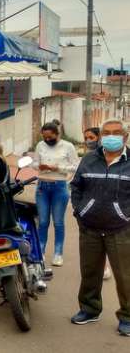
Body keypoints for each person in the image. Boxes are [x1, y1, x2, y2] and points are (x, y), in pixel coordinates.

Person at [69, 119, 130, 337]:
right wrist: (80, 211)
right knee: (90, 272)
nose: (111, 136)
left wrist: (126, 215)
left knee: (125, 276)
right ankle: (89, 309)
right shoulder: (88, 159)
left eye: (116, 132)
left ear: (125, 136)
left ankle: (127, 317)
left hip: (121, 229)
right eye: (106, 132)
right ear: (101, 135)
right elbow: (76, 186)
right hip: (90, 227)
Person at [32, 121, 79, 267]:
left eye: (50, 137)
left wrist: (57, 167)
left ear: (57, 134)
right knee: (43, 222)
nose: (47, 140)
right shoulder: (40, 145)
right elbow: (34, 163)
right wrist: (39, 166)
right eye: (45, 137)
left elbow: (76, 166)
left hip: (59, 186)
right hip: (42, 186)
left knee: (58, 222)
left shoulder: (68, 146)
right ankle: (40, 252)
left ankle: (58, 254)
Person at [84, 127, 112, 280]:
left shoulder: (107, 155)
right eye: (86, 137)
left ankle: (106, 267)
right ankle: (98, 268)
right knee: (95, 240)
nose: (88, 140)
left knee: (107, 237)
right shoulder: (89, 156)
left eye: (91, 137)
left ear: (99, 137)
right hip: (91, 206)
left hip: (109, 204)